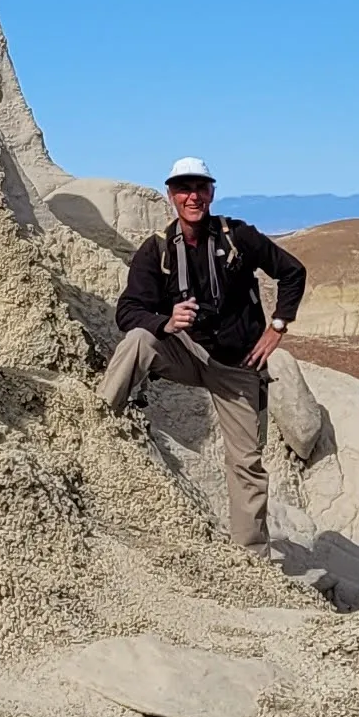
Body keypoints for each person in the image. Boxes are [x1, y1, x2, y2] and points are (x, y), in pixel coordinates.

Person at [98, 157, 308, 549]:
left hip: (238, 364)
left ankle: (251, 556)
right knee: (139, 340)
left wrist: (277, 326)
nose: (192, 196)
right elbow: (127, 313)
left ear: (212, 193)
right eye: (183, 189)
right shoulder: (157, 250)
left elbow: (292, 272)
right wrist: (166, 321)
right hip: (186, 351)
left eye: (200, 188)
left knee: (246, 462)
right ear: (170, 195)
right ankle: (97, 422)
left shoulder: (237, 237)